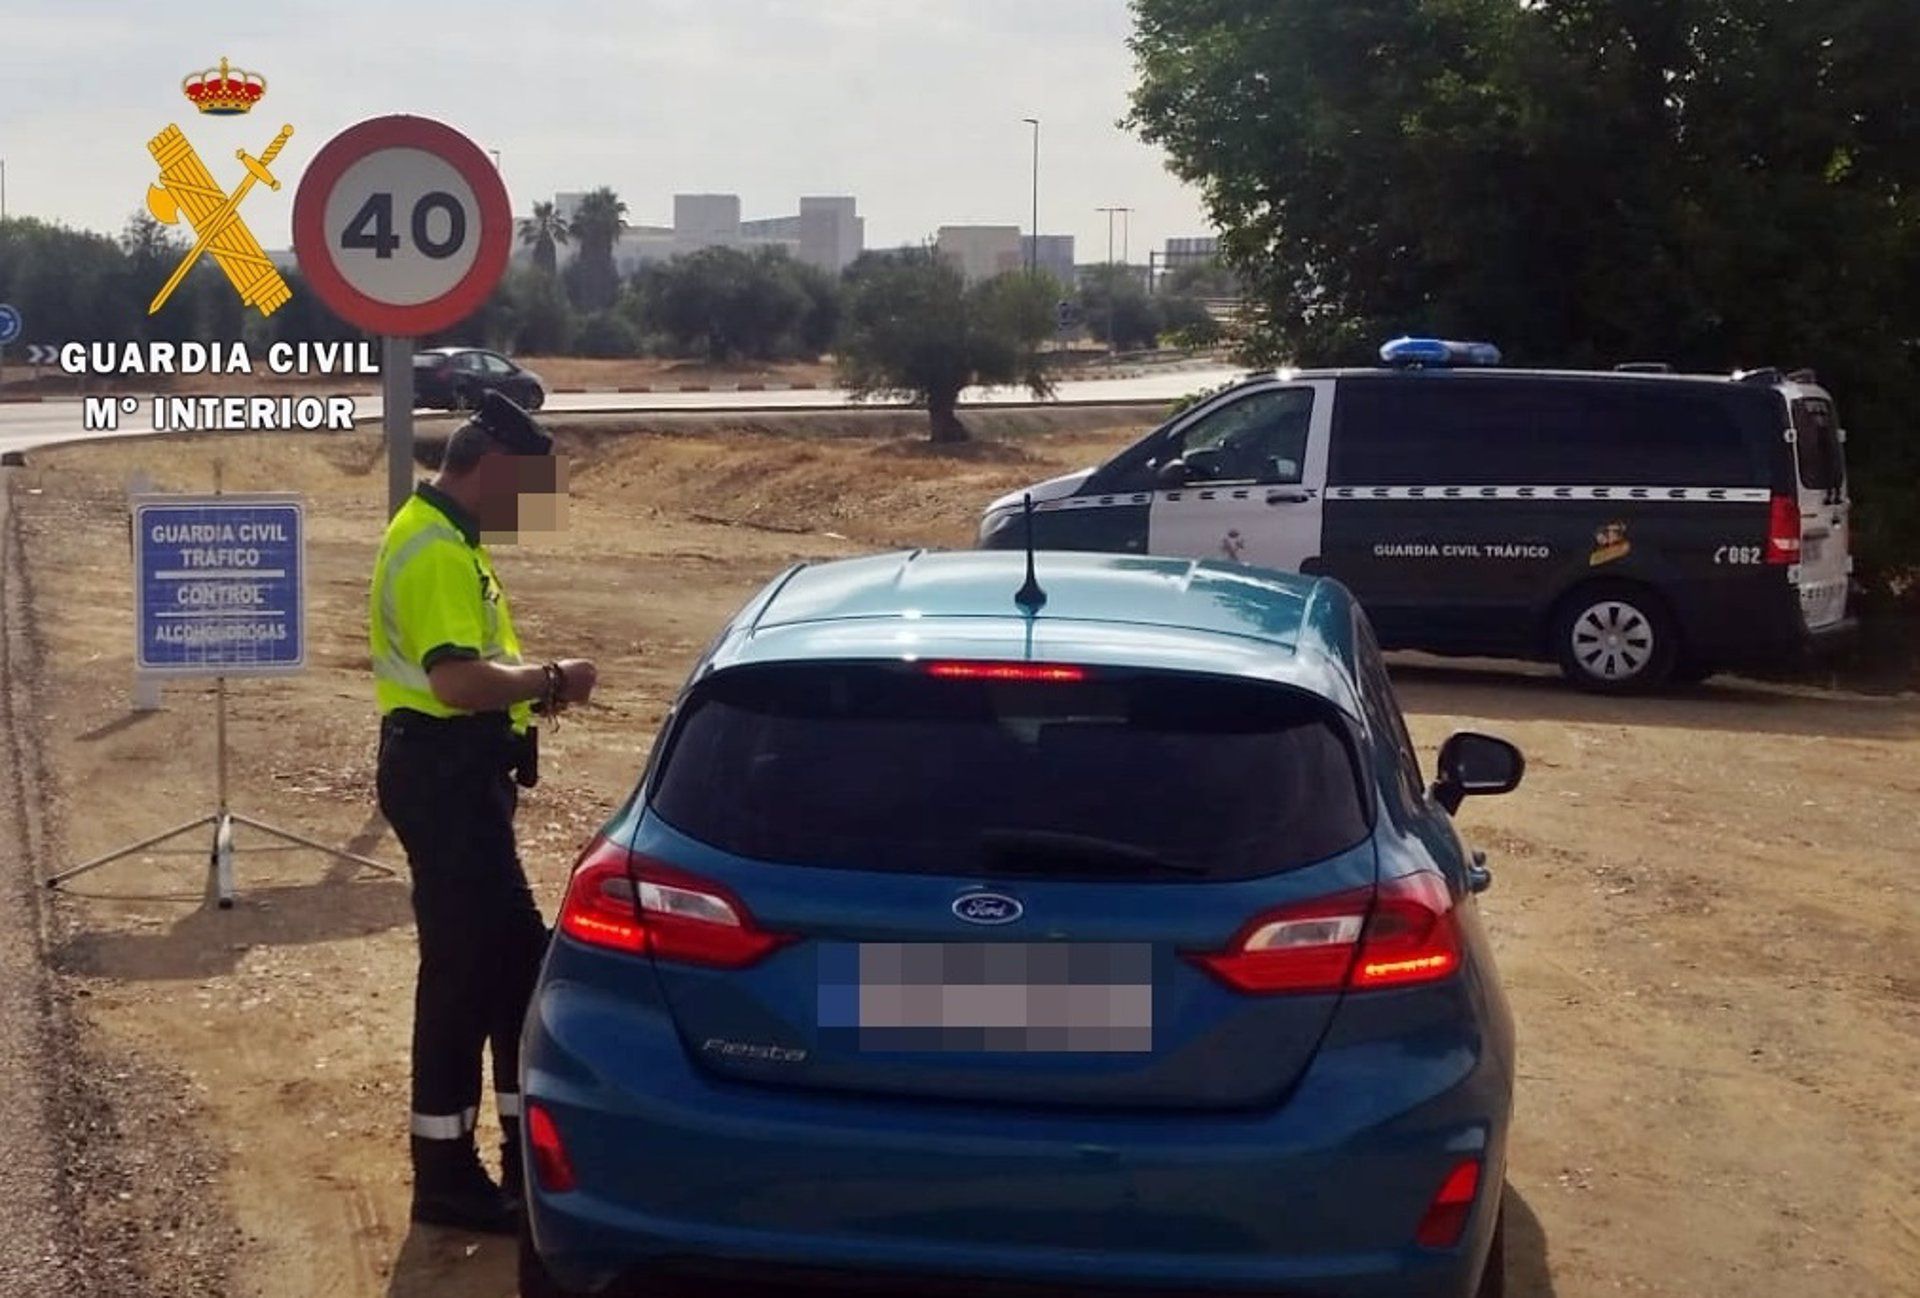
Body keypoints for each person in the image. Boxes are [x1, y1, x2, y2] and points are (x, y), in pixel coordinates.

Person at [368, 391, 596, 1233]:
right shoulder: (432, 550)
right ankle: (448, 1178)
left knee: (506, 973)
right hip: (443, 778)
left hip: (461, 776)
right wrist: (549, 679)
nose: (530, 506)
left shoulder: (453, 541)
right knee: (470, 977)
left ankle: (509, 1162)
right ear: (492, 468)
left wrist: (531, 698)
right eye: (526, 486)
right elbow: (456, 680)